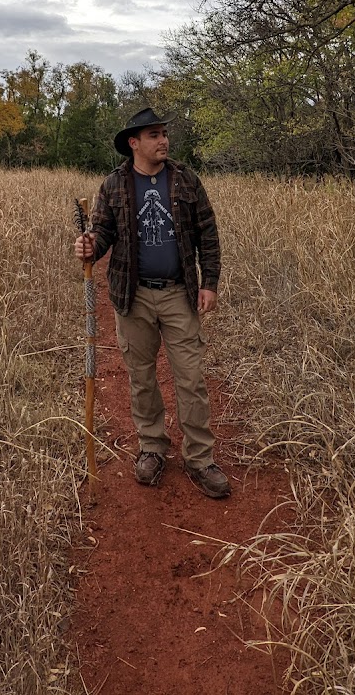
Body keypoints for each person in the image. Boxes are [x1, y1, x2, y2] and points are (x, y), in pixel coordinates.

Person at [73, 107, 231, 499]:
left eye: (164, 134)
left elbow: (207, 233)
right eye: (154, 135)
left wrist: (209, 283)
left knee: (191, 379)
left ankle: (200, 458)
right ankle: (152, 448)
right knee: (141, 378)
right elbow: (103, 233)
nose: (163, 141)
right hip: (134, 295)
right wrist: (90, 245)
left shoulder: (185, 179)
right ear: (134, 142)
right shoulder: (114, 185)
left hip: (179, 292)